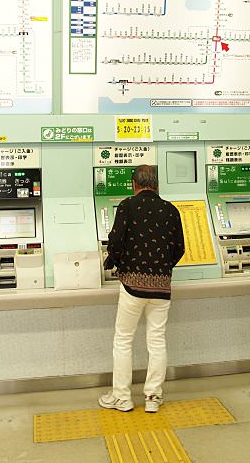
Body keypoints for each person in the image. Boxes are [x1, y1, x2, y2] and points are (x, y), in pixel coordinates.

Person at [98, 164, 185, 414]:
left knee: (123, 340)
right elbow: (179, 247)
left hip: (132, 286)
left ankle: (122, 398)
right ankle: (153, 398)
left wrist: (116, 263)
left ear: (134, 184)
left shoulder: (127, 206)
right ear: (156, 185)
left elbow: (115, 241)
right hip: (161, 287)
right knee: (156, 340)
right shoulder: (170, 210)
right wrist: (162, 268)